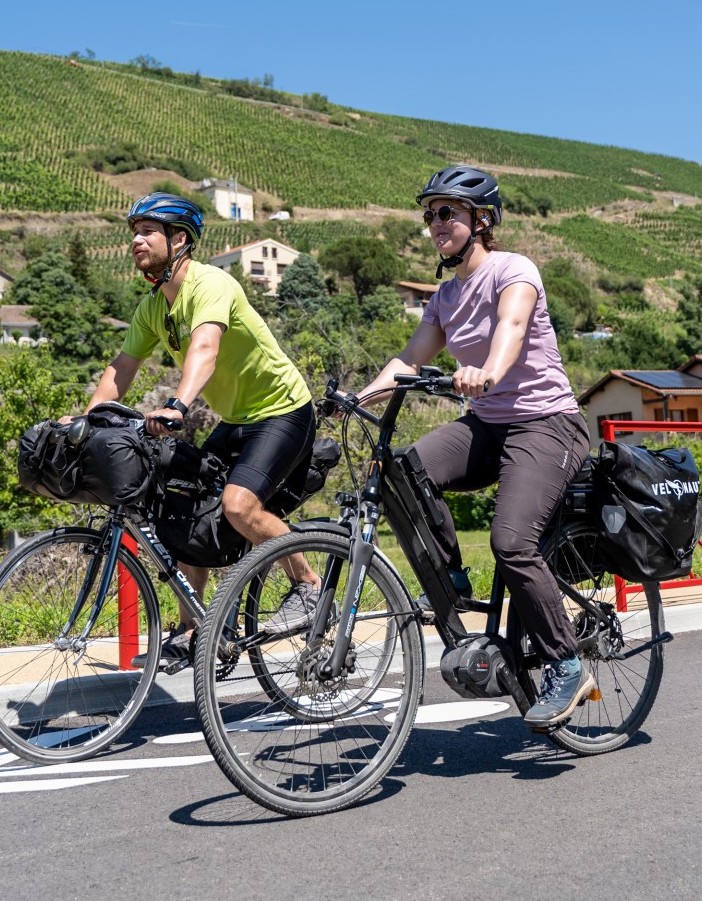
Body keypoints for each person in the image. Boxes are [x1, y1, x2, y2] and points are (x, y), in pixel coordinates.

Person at [354, 165, 595, 729]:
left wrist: (487, 370)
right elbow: (408, 361)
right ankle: (452, 580)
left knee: (512, 542)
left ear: (481, 220)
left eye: (448, 213)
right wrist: (354, 399)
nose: (436, 223)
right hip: (488, 425)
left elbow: (511, 327)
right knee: (405, 470)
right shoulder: (444, 295)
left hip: (546, 424)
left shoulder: (514, 270)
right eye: (430, 214)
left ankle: (567, 661)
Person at [80, 192, 321, 671]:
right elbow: (122, 367)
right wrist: (89, 419)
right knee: (184, 507)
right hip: (236, 419)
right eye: (133, 231)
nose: (136, 240)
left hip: (282, 411)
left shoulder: (212, 284)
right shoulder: (154, 307)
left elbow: (205, 350)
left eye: (148, 231)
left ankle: (310, 589)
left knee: (238, 505)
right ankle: (195, 630)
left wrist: (178, 405)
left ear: (180, 239)